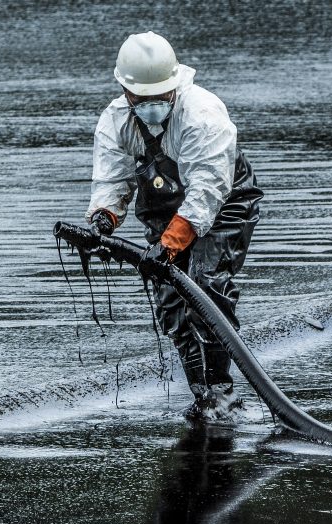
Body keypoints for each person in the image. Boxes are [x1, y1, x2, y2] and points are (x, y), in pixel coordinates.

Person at [87, 31, 262, 423]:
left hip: (225, 202)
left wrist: (169, 246)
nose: (150, 106)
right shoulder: (115, 121)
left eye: (158, 98)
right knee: (171, 301)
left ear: (174, 86)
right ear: (125, 91)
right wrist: (104, 219)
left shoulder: (202, 114)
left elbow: (206, 192)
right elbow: (113, 181)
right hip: (163, 205)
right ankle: (201, 395)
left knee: (206, 285)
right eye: (141, 100)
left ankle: (222, 393)